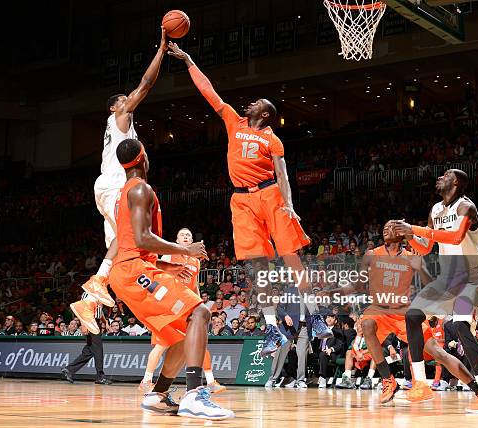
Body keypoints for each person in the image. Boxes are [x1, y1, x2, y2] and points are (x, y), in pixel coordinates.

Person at [167, 42, 330, 358]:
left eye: (257, 103)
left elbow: (283, 174)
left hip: (271, 195)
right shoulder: (233, 122)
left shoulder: (272, 138)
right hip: (242, 202)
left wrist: (290, 205)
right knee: (258, 268)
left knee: (292, 258)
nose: (250, 103)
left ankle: (316, 315)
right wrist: (189, 62)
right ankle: (272, 330)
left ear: (265, 113)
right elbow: (210, 93)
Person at [107, 138, 233, 419]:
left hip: (133, 269)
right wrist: (183, 250)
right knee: (199, 312)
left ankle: (159, 395)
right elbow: (142, 238)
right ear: (143, 159)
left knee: (180, 337)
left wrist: (165, 265)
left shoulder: (126, 191)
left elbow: (131, 242)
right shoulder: (140, 189)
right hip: (133, 271)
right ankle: (194, 395)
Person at [75, 26, 170, 318]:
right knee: (131, 240)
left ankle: (89, 301)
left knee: (119, 251)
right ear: (115, 107)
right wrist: (162, 49)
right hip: (117, 183)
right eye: (122, 100)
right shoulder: (119, 116)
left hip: (105, 185)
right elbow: (145, 83)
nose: (127, 101)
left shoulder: (118, 129)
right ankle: (99, 282)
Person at [393, 169, 478, 411]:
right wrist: (408, 236)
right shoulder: (436, 210)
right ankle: (421, 385)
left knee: (460, 325)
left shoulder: (465, 207)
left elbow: (455, 238)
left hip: (471, 277)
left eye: (447, 174)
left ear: (456, 182)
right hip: (448, 279)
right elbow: (427, 248)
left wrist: (414, 229)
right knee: (413, 316)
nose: (440, 176)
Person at [361, 221, 478, 403]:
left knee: (438, 353)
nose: (386, 228)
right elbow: (358, 282)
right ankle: (388, 380)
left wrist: (420, 265)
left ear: (401, 233)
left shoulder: (410, 257)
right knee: (367, 323)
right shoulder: (372, 254)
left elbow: (430, 283)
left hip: (402, 312)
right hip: (379, 309)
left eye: (391, 227)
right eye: (384, 227)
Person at [140, 228, 225, 394]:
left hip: (187, 306)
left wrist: (200, 304)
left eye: (189, 236)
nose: (186, 237)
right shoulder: (169, 255)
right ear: (177, 241)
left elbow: (194, 286)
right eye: (183, 235)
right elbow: (156, 276)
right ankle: (146, 380)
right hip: (169, 305)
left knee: (198, 341)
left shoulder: (196, 261)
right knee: (161, 345)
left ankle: (210, 381)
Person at [61, 304, 112, 385]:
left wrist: (105, 322)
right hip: (90, 324)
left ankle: (69, 369)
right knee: (98, 352)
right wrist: (84, 325)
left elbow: (99, 311)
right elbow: (83, 310)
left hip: (95, 324)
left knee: (88, 352)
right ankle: (100, 377)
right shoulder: (88, 294)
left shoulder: (98, 295)